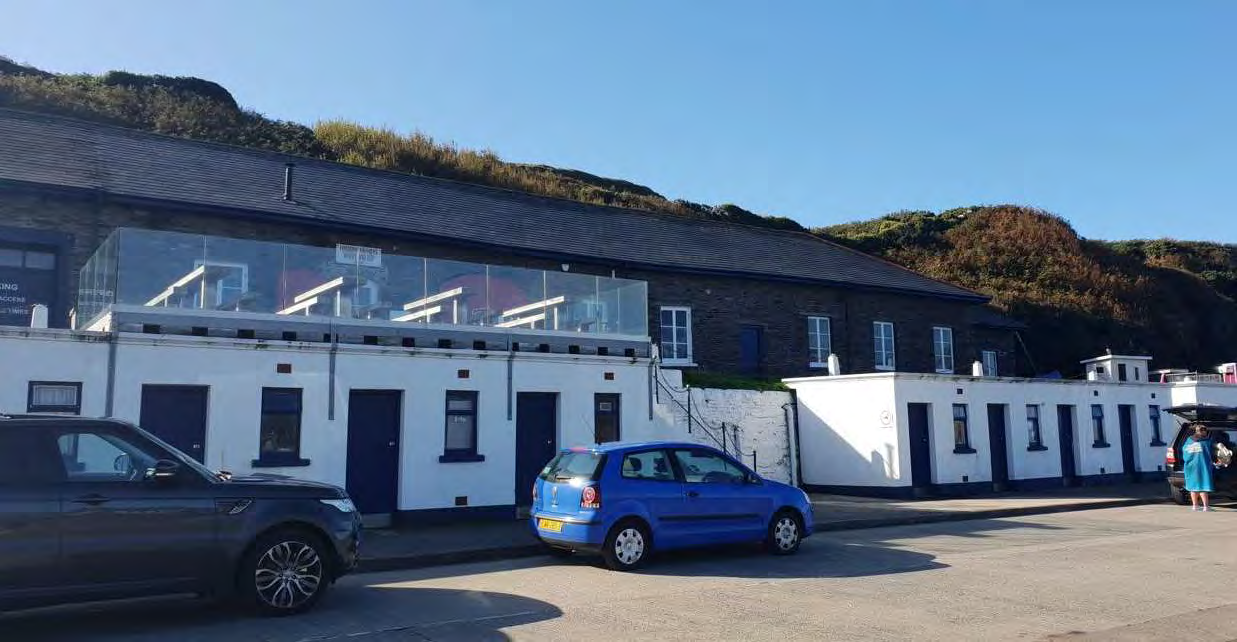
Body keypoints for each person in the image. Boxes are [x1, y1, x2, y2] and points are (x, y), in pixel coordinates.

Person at [1182, 423, 1217, 511]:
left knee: (1193, 486)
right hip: (1202, 466)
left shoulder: (1189, 440)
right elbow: (1212, 452)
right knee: (1203, 486)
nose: (1206, 433)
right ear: (1202, 431)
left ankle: (1195, 506)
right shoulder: (1206, 442)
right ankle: (1206, 506)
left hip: (1190, 466)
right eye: (1205, 432)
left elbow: (1184, 451)